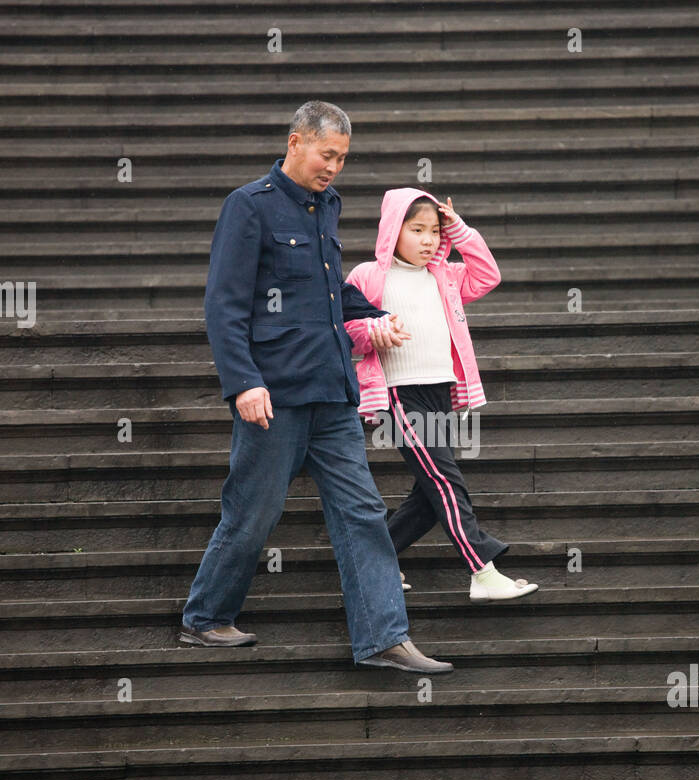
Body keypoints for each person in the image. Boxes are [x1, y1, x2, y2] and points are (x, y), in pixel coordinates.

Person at [179, 102, 453, 674]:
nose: (334, 167)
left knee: (363, 512)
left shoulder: (326, 206)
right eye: (327, 154)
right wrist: (243, 383)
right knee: (253, 514)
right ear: (295, 142)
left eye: (343, 159)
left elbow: (331, 295)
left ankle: (383, 637)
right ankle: (206, 617)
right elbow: (224, 305)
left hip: (332, 392)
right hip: (273, 396)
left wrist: (375, 313)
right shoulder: (249, 206)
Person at [344, 188, 539, 601]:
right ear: (393, 230)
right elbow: (344, 331)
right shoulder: (368, 276)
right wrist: (374, 332)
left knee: (429, 493)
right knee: (446, 482)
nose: (428, 239)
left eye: (434, 230)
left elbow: (488, 275)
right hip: (399, 393)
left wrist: (461, 231)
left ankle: (375, 560)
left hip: (441, 391)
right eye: (417, 230)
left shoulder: (445, 274)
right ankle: (482, 571)